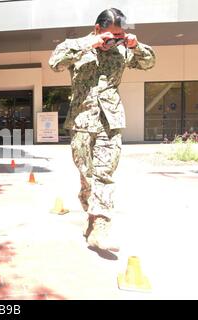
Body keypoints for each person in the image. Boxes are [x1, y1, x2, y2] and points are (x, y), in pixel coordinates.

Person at [49, 8, 155, 252]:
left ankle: (101, 227)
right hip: (81, 121)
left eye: (120, 34)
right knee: (87, 176)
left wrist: (135, 45)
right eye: (111, 35)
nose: (115, 40)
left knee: (104, 175)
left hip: (111, 121)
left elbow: (149, 62)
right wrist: (90, 43)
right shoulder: (78, 46)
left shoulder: (123, 50)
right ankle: (92, 219)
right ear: (97, 28)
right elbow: (55, 62)